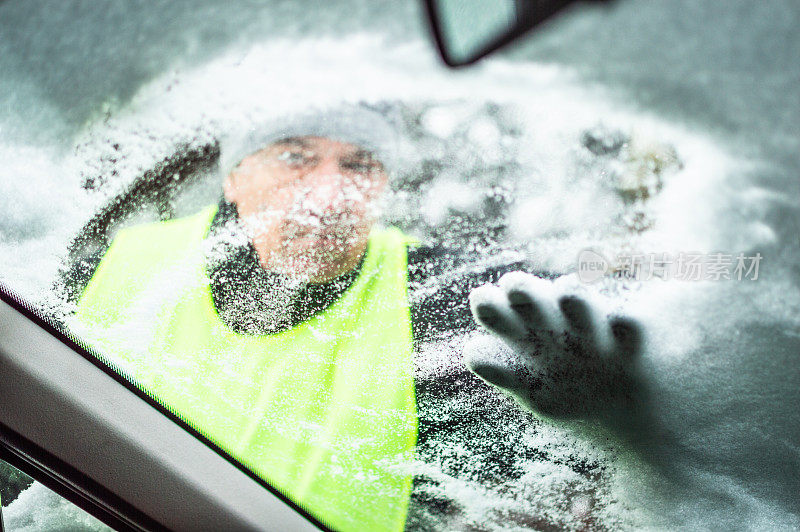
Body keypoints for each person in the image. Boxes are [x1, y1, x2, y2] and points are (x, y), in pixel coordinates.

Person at [64, 105, 641, 531]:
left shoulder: (440, 294)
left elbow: (534, 481)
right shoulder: (117, 265)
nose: (330, 190)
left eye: (360, 165)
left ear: (383, 186)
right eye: (295, 157)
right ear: (234, 178)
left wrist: (595, 428)